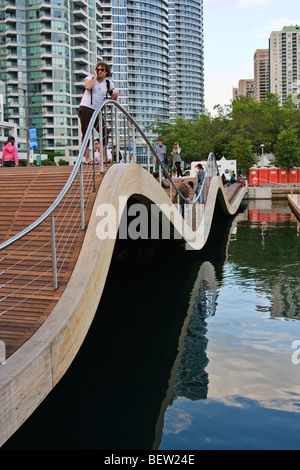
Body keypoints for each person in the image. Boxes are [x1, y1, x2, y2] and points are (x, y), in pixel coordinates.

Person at [78, 61, 118, 164]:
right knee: (86, 132)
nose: (99, 71)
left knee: (104, 131)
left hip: (96, 110)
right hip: (86, 108)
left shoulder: (108, 84)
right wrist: (95, 77)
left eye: (102, 70)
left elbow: (113, 97)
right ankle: (87, 158)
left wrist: (115, 96)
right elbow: (88, 87)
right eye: (98, 69)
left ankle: (104, 157)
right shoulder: (90, 78)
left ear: (106, 72)